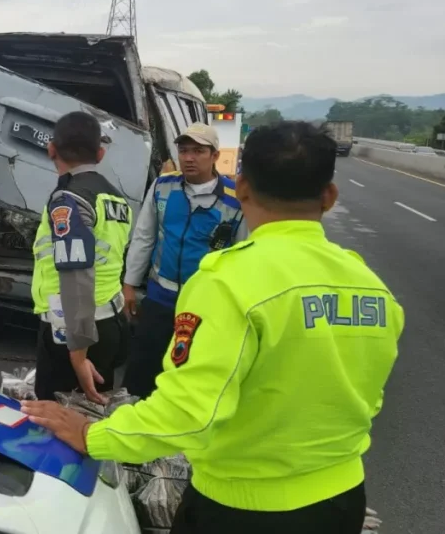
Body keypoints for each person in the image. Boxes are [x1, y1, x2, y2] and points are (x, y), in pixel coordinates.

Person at [23, 121, 405, 534]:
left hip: (243, 508)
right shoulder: (371, 287)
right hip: (342, 499)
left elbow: (189, 413)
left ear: (241, 189)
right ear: (329, 196)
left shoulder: (227, 283)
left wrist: (92, 435)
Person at [121, 122, 247, 399]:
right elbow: (144, 237)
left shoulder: (236, 201)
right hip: (160, 299)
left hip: (206, 306)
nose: (189, 158)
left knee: (190, 380)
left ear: (215, 155)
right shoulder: (162, 187)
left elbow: (243, 256)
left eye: (198, 151)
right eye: (184, 150)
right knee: (141, 377)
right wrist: (129, 284)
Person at [31, 112, 133, 403]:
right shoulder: (115, 198)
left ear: (51, 149)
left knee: (58, 421)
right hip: (109, 320)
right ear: (100, 155)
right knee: (92, 418)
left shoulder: (69, 199)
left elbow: (76, 273)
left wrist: (78, 354)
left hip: (77, 331)